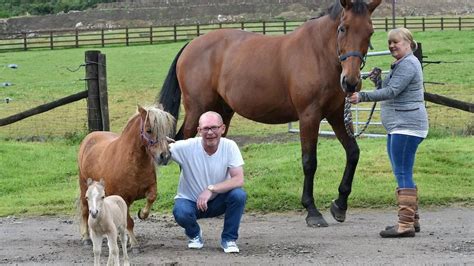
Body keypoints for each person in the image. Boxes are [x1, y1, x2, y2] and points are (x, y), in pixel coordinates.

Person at [349, 27, 428, 238]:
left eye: (397, 42)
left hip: (407, 126)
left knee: (402, 172)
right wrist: (378, 81)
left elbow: (392, 92)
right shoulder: (402, 63)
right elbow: (392, 89)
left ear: (409, 44)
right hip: (400, 126)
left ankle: (405, 225)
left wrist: (362, 96)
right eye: (390, 43)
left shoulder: (409, 64)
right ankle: (412, 220)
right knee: (402, 172)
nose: (392, 46)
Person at [169, 111, 247, 253]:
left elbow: (238, 179)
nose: (210, 132)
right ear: (199, 131)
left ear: (222, 128)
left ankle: (229, 239)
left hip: (218, 201)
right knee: (180, 212)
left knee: (238, 195)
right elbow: (162, 150)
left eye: (214, 128)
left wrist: (211, 189)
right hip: (191, 201)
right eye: (205, 129)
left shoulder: (230, 146)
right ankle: (194, 234)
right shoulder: (186, 147)